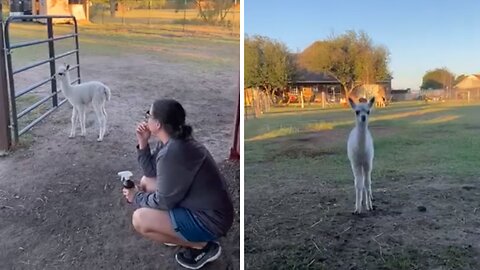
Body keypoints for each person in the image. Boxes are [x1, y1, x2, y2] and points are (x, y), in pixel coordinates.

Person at [122, 99, 234, 269]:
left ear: (158, 124)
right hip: (204, 207)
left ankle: (201, 246)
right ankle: (179, 231)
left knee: (140, 219)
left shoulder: (173, 152)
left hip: (210, 220)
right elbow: (151, 173)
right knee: (146, 182)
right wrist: (143, 143)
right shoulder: (173, 140)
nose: (146, 118)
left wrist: (136, 196)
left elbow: (164, 201)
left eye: (148, 114)